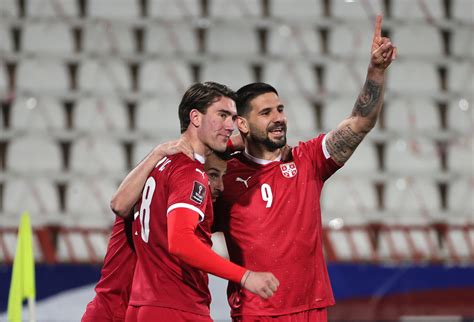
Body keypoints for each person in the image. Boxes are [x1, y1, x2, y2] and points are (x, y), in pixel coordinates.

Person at [213, 15, 396, 322]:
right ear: (241, 124)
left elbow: (360, 122)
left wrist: (376, 71)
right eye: (266, 112)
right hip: (256, 313)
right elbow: (190, 238)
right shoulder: (224, 176)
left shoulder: (307, 160)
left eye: (281, 109)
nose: (279, 117)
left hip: (311, 309)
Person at [113, 82, 279, 322]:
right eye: (222, 115)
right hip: (177, 307)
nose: (229, 125)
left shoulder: (160, 164)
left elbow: (119, 205)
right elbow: (181, 242)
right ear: (195, 117)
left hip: (142, 305)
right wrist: (245, 277)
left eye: (232, 118)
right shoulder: (191, 173)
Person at [81, 140, 229, 322]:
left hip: (125, 309)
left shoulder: (157, 197)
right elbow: (118, 204)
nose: (220, 186)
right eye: (212, 175)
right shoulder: (159, 203)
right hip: (117, 311)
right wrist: (244, 277)